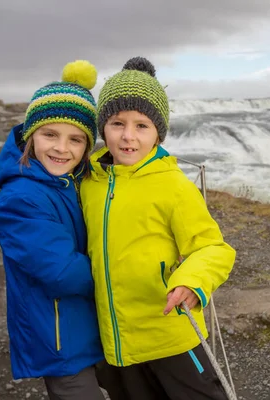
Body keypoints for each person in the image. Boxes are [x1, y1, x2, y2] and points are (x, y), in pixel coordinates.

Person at [80, 57, 236, 400]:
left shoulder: (173, 186)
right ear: (102, 127)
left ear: (158, 133)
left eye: (142, 126)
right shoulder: (88, 181)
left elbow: (213, 248)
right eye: (117, 123)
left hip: (170, 334)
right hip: (116, 340)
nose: (128, 136)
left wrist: (193, 282)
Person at [0, 60, 106, 400]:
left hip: (86, 326)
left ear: (87, 148)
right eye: (50, 134)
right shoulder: (19, 198)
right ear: (30, 135)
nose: (61, 148)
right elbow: (62, 273)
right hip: (58, 339)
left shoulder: (74, 182)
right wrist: (124, 273)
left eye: (76, 139)